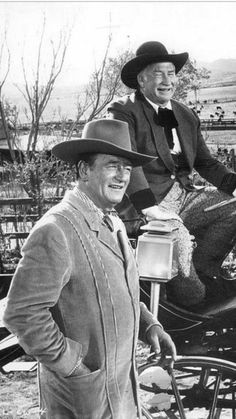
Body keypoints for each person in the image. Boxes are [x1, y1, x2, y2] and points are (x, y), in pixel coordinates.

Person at [3, 118, 176, 419]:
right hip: (82, 399)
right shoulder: (56, 230)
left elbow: (116, 290)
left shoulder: (115, 223)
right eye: (112, 165)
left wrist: (148, 325)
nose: (122, 176)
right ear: (84, 170)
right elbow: (21, 314)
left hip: (120, 394)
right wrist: (73, 364)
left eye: (126, 167)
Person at [107, 41, 236, 308]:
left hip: (184, 194)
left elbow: (206, 163)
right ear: (141, 80)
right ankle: (193, 302)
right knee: (174, 235)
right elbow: (127, 161)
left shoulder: (185, 114)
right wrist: (150, 208)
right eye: (158, 73)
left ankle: (202, 274)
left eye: (171, 73)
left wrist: (234, 186)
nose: (167, 81)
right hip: (145, 202)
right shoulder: (123, 111)